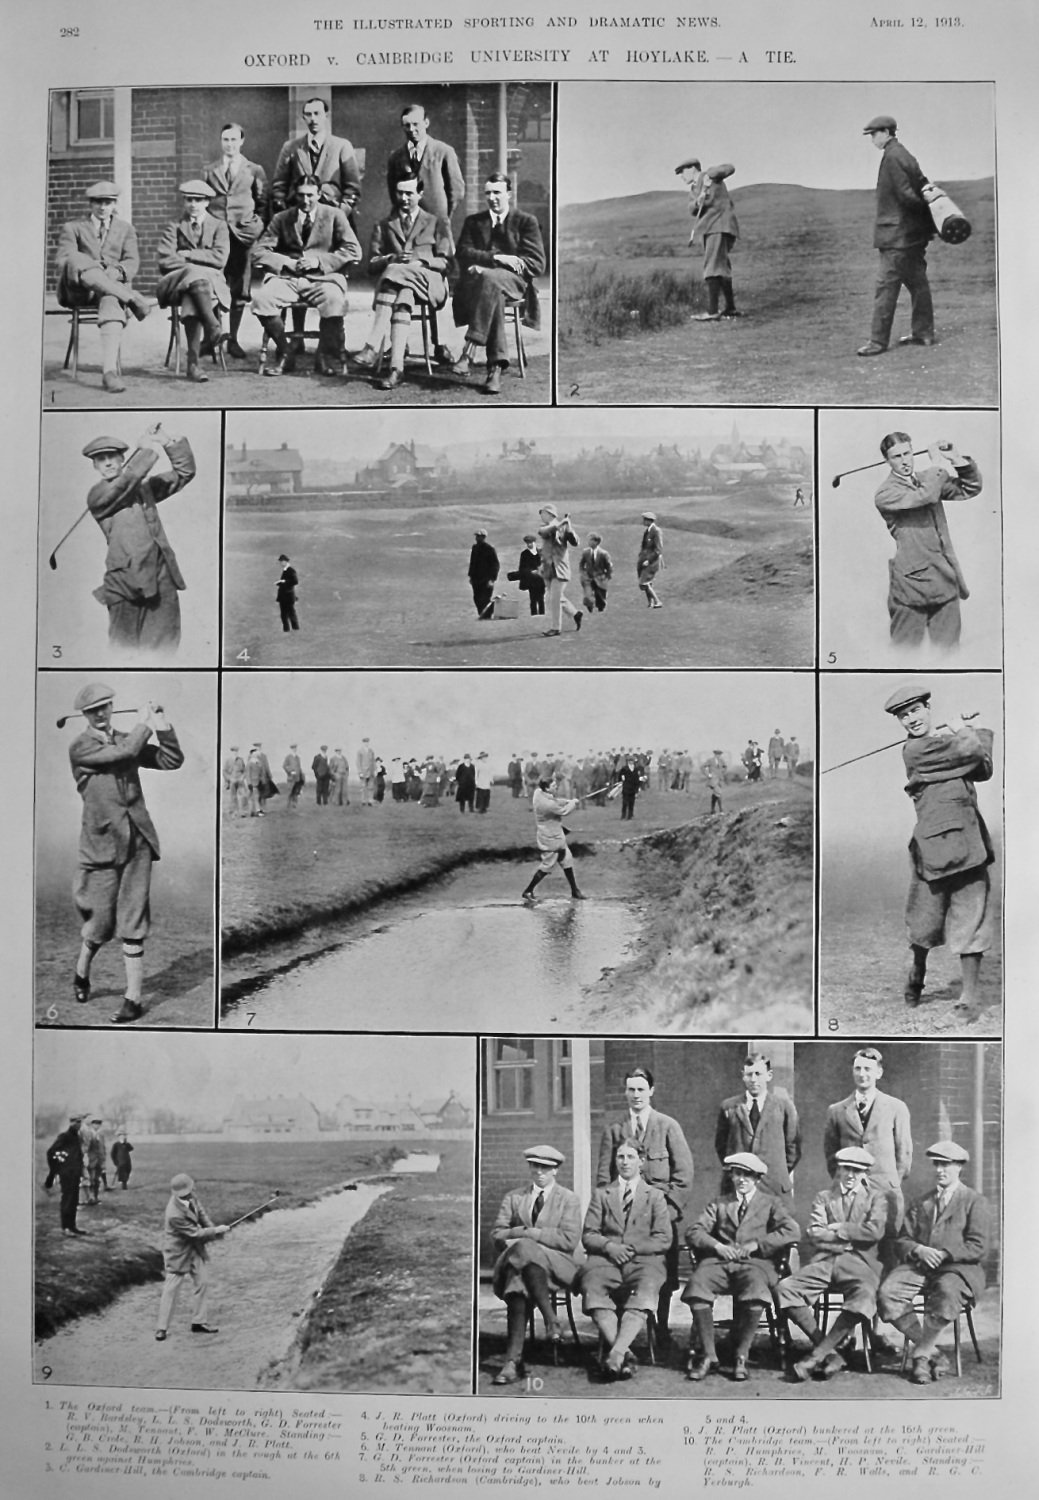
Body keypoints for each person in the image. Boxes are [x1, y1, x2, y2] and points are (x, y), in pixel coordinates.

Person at [68, 683, 184, 1024]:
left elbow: (170, 760)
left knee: (133, 919)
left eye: (106, 706)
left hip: (138, 841)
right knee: (100, 924)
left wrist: (161, 725)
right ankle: (82, 971)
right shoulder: (81, 747)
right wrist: (143, 724)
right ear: (85, 715)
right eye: (94, 710)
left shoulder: (125, 738)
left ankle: (132, 998)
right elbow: (120, 755)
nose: (102, 713)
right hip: (101, 844)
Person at [884, 684, 995, 1016]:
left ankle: (969, 998)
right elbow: (971, 755)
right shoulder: (915, 752)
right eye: (904, 716)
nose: (911, 720)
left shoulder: (945, 745)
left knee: (971, 921)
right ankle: (917, 971)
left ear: (928, 708)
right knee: (924, 926)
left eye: (916, 711)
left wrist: (965, 731)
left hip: (969, 843)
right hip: (932, 849)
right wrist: (963, 729)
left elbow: (984, 768)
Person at [878, 1141, 990, 1384]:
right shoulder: (922, 1202)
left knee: (946, 1291)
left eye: (946, 1165)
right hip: (921, 1266)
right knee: (887, 1293)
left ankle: (919, 1357)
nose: (940, 1170)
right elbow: (902, 1240)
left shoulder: (974, 1201)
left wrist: (945, 1253)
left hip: (958, 1269)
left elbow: (979, 1246)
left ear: (959, 1167)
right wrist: (919, 1249)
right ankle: (932, 1352)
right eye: (937, 1164)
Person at [596, 1066, 694, 1343]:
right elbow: (604, 1177)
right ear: (625, 1092)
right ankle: (620, 1328)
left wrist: (668, 1212)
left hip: (660, 1215)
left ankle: (662, 1327)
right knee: (618, 1267)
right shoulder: (614, 1130)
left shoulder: (667, 1126)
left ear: (651, 1091)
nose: (636, 1095)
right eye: (631, 1089)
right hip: (622, 1215)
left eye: (641, 1089)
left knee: (664, 1277)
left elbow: (684, 1175)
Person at [683, 1153, 800, 1382]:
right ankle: (709, 1355)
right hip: (721, 1262)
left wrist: (758, 1245)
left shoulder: (771, 1203)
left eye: (748, 1175)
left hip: (755, 1263)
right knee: (697, 1284)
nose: (742, 1179)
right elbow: (694, 1231)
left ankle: (741, 1354)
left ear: (757, 1179)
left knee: (756, 1289)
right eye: (738, 1174)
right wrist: (717, 1246)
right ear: (732, 1176)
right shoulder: (720, 1203)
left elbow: (791, 1231)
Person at [80, 425, 194, 657]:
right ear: (95, 466)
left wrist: (167, 441)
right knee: (124, 652)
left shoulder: (143, 488)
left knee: (164, 650)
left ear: (122, 458)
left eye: (112, 457)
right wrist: (144, 451)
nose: (109, 463)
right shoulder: (97, 496)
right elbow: (124, 485)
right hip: (125, 585)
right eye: (101, 460)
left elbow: (184, 474)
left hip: (162, 579)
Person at [778, 1146, 889, 1380]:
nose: (850, 1175)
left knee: (864, 1296)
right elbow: (814, 1233)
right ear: (838, 1169)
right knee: (786, 1288)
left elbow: (874, 1231)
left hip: (861, 1264)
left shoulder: (876, 1198)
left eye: (857, 1170)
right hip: (826, 1261)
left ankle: (816, 1356)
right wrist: (849, 1240)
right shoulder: (824, 1197)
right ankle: (830, 1352)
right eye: (846, 1168)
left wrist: (839, 1229)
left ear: (865, 1174)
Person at [874, 434, 983, 650]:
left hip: (945, 579)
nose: (904, 461)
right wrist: (938, 466)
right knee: (904, 653)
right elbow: (925, 496)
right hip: (911, 586)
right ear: (887, 461)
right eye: (896, 456)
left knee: (948, 653)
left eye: (907, 453)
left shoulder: (928, 479)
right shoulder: (886, 494)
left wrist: (956, 458)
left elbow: (969, 489)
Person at [250, 175, 362, 377]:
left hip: (323, 279)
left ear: (319, 194)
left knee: (334, 301)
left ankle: (322, 356)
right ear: (295, 195)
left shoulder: (334, 215)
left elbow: (353, 250)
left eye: (310, 195)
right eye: (301, 195)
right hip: (289, 279)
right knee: (261, 300)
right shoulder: (282, 218)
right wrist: (287, 262)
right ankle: (286, 352)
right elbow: (259, 252)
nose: (305, 200)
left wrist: (319, 262)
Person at [489, 1145, 582, 1385]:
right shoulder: (514, 1197)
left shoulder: (568, 1199)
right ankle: (549, 1322)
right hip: (524, 1267)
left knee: (524, 1249)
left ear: (556, 1170)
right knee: (518, 1278)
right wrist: (523, 1234)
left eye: (546, 1167)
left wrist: (528, 1236)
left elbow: (568, 1239)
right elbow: (497, 1235)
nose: (539, 1171)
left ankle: (512, 1360)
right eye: (535, 1166)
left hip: (557, 1264)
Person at [581, 1141, 672, 1379]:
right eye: (620, 1157)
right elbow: (589, 1234)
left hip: (643, 1262)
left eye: (631, 1157)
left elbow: (664, 1238)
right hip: (606, 1261)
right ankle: (624, 1353)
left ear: (641, 1162)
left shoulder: (656, 1196)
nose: (624, 1162)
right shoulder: (602, 1194)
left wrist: (632, 1248)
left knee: (647, 1287)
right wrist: (609, 1246)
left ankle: (615, 1354)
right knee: (592, 1285)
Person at [55, 181, 156, 394]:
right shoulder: (73, 228)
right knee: (76, 258)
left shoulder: (126, 229)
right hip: (79, 290)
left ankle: (109, 372)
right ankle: (132, 299)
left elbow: (132, 262)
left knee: (110, 299)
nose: (102, 207)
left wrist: (116, 272)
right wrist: (92, 268)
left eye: (107, 203)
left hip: (107, 291)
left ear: (114, 204)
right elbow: (63, 261)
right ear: (90, 204)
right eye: (98, 202)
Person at [354, 176, 453, 391]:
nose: (404, 198)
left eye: (409, 193)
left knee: (392, 272)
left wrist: (421, 261)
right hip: (402, 287)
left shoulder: (436, 222)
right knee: (402, 295)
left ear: (420, 194)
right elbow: (371, 264)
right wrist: (391, 258)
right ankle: (396, 369)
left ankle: (372, 345)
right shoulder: (384, 225)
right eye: (400, 193)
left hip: (429, 281)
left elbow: (446, 262)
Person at [451, 173, 546, 395]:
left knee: (490, 279)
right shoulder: (473, 222)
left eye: (497, 192)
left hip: (514, 283)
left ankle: (469, 351)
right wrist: (496, 259)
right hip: (480, 285)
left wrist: (490, 267)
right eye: (488, 193)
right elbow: (462, 253)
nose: (492, 198)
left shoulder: (526, 222)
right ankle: (495, 368)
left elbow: (536, 264)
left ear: (509, 195)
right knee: (492, 287)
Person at [857, 115, 937, 356]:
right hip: (913, 235)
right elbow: (923, 185)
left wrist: (922, 208)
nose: (872, 139)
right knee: (918, 284)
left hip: (896, 237)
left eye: (874, 134)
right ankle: (923, 333)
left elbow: (905, 195)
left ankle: (877, 342)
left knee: (886, 287)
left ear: (886, 132)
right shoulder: (906, 155)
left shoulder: (892, 157)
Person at [203, 122, 270, 359]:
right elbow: (203, 202)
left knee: (239, 288)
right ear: (220, 142)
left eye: (233, 140)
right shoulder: (210, 170)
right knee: (212, 283)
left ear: (241, 141)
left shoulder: (254, 170)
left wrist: (255, 228)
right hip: (217, 237)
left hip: (243, 235)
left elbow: (263, 204)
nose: (229, 144)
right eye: (225, 140)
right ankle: (211, 336)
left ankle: (233, 338)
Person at [154, 181, 231, 382]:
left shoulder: (219, 226)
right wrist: (197, 263)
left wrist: (188, 254)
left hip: (208, 285)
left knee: (193, 292)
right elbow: (165, 259)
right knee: (194, 274)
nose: (193, 204)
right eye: (189, 200)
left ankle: (193, 365)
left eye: (198, 200)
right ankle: (212, 326)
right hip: (176, 283)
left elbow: (220, 258)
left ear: (207, 202)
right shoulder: (174, 227)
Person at [715, 1053, 802, 1200]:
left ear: (769, 1075)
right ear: (743, 1076)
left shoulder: (784, 1106)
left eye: (758, 1074)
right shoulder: (729, 1107)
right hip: (738, 1189)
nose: (754, 1079)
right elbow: (721, 1146)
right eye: (749, 1074)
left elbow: (793, 1147)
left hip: (774, 1188)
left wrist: (775, 1172)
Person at [155, 1173, 229, 1341]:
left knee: (203, 1282)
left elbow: (201, 1215)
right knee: (171, 1289)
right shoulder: (173, 1213)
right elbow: (194, 1233)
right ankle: (162, 1328)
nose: (192, 1191)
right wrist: (216, 1231)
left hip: (194, 1249)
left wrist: (214, 1229)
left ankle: (199, 1322)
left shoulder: (191, 1197)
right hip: (178, 1252)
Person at [674, 157, 741, 321]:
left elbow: (730, 167)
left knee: (712, 266)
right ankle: (730, 308)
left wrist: (710, 174)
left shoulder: (710, 176)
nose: (682, 176)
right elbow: (691, 209)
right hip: (711, 228)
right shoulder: (694, 189)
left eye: (682, 172)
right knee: (722, 265)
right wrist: (698, 201)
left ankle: (712, 312)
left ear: (692, 169)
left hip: (718, 225)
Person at [271, 97, 362, 215]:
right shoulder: (291, 147)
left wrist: (342, 212)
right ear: (303, 117)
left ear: (326, 116)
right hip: (299, 215)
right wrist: (285, 214)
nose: (313, 119)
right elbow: (279, 185)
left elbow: (353, 187)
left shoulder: (342, 146)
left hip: (332, 213)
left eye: (317, 114)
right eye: (308, 114)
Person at [386, 104, 465, 228]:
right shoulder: (396, 157)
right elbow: (393, 192)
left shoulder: (444, 152)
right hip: (407, 225)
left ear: (426, 123)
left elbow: (457, 190)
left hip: (436, 223)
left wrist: (443, 214)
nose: (411, 129)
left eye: (416, 124)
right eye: (407, 125)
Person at [521, 771, 586, 902]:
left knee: (567, 860)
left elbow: (556, 801)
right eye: (554, 786)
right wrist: (573, 803)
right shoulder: (547, 805)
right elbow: (564, 811)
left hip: (555, 836)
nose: (556, 787)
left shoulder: (538, 793)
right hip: (550, 839)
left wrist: (568, 800)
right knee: (547, 865)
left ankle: (575, 891)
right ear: (547, 788)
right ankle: (528, 891)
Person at [537, 505, 582, 637]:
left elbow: (575, 542)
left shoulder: (563, 526)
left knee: (555, 599)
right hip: (548, 569)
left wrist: (569, 527)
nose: (541, 516)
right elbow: (544, 532)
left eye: (543, 513)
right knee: (556, 598)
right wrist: (561, 523)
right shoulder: (547, 527)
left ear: (551, 514)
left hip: (560, 568)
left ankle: (556, 628)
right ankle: (575, 614)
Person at [45, 1115, 87, 1236]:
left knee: (74, 1200)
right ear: (71, 1123)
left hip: (75, 1173)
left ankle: (72, 1226)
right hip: (67, 1174)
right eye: (76, 1122)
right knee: (67, 1200)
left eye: (80, 1122)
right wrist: (61, 1165)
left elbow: (77, 1156)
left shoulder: (77, 1137)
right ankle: (66, 1228)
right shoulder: (64, 1136)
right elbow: (52, 1152)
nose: (78, 1124)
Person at [507, 534, 546, 615]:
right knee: (533, 599)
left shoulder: (541, 553)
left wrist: (540, 571)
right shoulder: (524, 554)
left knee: (541, 599)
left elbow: (546, 565)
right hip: (531, 580)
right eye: (528, 543)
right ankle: (534, 614)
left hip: (541, 579)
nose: (529, 544)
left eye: (531, 543)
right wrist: (530, 572)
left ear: (534, 542)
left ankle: (542, 614)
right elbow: (522, 568)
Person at [467, 529, 500, 619]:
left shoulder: (489, 549)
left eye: (479, 536)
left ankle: (486, 615)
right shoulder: (475, 548)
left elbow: (495, 565)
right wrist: (470, 576)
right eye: (476, 536)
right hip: (476, 578)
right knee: (476, 598)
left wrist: (492, 579)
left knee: (485, 598)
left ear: (483, 537)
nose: (477, 538)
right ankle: (482, 614)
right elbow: (472, 562)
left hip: (486, 578)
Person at [578, 532, 613, 614]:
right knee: (587, 594)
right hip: (588, 577)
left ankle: (601, 607)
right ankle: (589, 606)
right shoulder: (586, 552)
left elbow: (609, 566)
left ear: (596, 542)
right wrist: (583, 573)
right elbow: (581, 564)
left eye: (591, 540)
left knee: (599, 594)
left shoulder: (603, 554)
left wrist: (607, 576)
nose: (589, 542)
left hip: (599, 577)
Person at [636, 512, 664, 609]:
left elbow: (658, 549)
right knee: (647, 582)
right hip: (644, 560)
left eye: (644, 520)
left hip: (651, 562)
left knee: (643, 582)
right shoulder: (647, 531)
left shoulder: (656, 531)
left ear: (649, 520)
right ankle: (650, 603)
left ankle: (657, 601)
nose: (643, 522)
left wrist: (649, 560)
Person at [83, 1117, 107, 1202]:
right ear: (92, 1124)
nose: (97, 1126)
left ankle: (96, 1197)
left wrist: (103, 1160)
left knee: (97, 1180)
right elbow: (86, 1147)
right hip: (91, 1160)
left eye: (99, 1124)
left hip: (99, 1161)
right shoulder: (88, 1134)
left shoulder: (101, 1135)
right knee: (91, 1179)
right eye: (95, 1124)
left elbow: (103, 1148)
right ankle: (90, 1197)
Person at [276, 554, 300, 632]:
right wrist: (281, 583)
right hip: (284, 596)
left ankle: (295, 628)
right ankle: (286, 629)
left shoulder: (291, 570)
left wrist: (284, 582)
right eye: (280, 562)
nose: (281, 563)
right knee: (283, 614)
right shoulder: (285, 570)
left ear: (286, 561)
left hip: (288, 596)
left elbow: (295, 581)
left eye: (282, 561)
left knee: (291, 613)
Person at [222, 744, 246, 818]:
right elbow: (224, 772)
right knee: (233, 797)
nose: (235, 753)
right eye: (233, 751)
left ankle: (242, 812)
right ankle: (234, 812)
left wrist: (242, 777)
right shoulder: (228, 760)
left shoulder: (241, 760)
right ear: (231, 752)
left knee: (242, 796)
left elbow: (244, 770)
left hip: (240, 780)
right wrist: (229, 779)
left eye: (236, 751)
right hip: (232, 780)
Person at [618, 756, 643, 821]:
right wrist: (621, 779)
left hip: (633, 789)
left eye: (632, 761)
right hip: (626, 788)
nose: (631, 762)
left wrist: (637, 790)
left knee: (632, 803)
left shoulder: (636, 769)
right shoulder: (624, 769)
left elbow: (637, 780)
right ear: (628, 762)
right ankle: (623, 816)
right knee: (625, 803)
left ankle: (630, 815)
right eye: (630, 761)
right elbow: (619, 777)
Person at [282, 744, 305, 810]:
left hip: (297, 778)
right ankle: (288, 805)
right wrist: (290, 771)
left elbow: (299, 767)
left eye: (295, 748)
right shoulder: (288, 757)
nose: (294, 749)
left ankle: (294, 805)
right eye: (293, 748)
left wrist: (301, 776)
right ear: (291, 749)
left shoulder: (298, 757)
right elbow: (284, 766)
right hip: (291, 778)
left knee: (296, 792)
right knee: (290, 792)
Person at [356, 738, 376, 806]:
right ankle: (363, 801)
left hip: (370, 771)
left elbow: (373, 761)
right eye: (365, 742)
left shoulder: (371, 751)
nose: (366, 743)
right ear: (363, 743)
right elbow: (358, 762)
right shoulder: (360, 751)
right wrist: (360, 772)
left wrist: (375, 770)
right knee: (363, 786)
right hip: (363, 771)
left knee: (371, 787)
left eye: (367, 742)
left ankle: (370, 800)